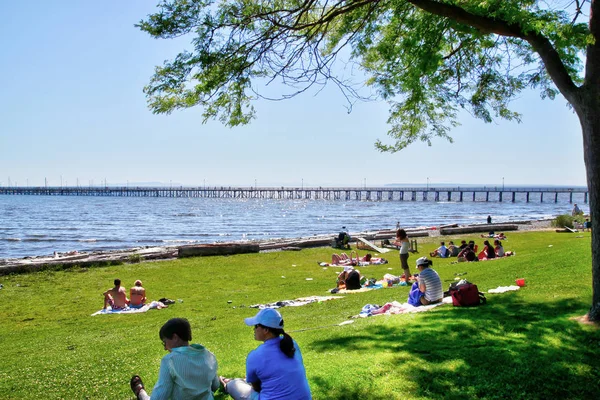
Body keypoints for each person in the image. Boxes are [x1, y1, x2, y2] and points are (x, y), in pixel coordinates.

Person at [221, 308, 311, 400]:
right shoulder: (292, 344)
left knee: (234, 384)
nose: (254, 329)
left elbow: (256, 388)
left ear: (266, 330)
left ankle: (227, 383)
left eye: (256, 326)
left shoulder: (255, 356)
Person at [130, 318, 219, 400]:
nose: (165, 348)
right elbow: (215, 385)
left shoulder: (170, 360)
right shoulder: (209, 355)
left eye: (164, 342)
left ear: (175, 337)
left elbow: (160, 396)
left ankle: (140, 392)